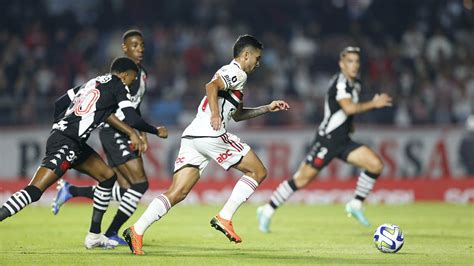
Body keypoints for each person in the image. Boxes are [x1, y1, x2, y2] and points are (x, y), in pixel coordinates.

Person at [121, 34, 290, 255]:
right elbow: (210, 86)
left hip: (193, 137)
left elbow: (237, 115)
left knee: (177, 192)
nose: (258, 64)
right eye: (256, 58)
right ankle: (225, 217)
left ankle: (136, 230)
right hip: (211, 134)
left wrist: (267, 108)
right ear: (245, 55)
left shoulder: (235, 77)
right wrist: (214, 115)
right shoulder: (236, 71)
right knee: (258, 171)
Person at [0, 57, 167, 249]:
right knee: (35, 191)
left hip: (73, 142)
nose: (132, 83)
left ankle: (94, 236)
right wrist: (156, 131)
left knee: (107, 177)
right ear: (123, 74)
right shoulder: (118, 85)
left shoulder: (92, 82)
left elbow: (59, 103)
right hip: (66, 143)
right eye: (132, 78)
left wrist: (59, 126)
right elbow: (132, 119)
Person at [257, 46, 393, 233]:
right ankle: (267, 209)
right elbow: (349, 108)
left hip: (343, 140)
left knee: (375, 165)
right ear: (341, 64)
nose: (354, 65)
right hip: (327, 141)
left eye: (356, 61)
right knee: (302, 180)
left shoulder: (356, 83)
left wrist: (349, 125)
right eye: (349, 61)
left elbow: (345, 112)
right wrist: (374, 103)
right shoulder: (340, 83)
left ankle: (355, 205)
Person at [51, 29, 161, 245]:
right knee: (140, 185)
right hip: (115, 132)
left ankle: (72, 190)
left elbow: (133, 108)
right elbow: (108, 112)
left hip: (125, 132)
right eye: (135, 45)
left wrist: (142, 133)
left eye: (142, 45)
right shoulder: (117, 78)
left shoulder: (142, 74)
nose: (139, 49)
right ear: (124, 48)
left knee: (126, 189)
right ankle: (110, 232)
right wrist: (133, 132)